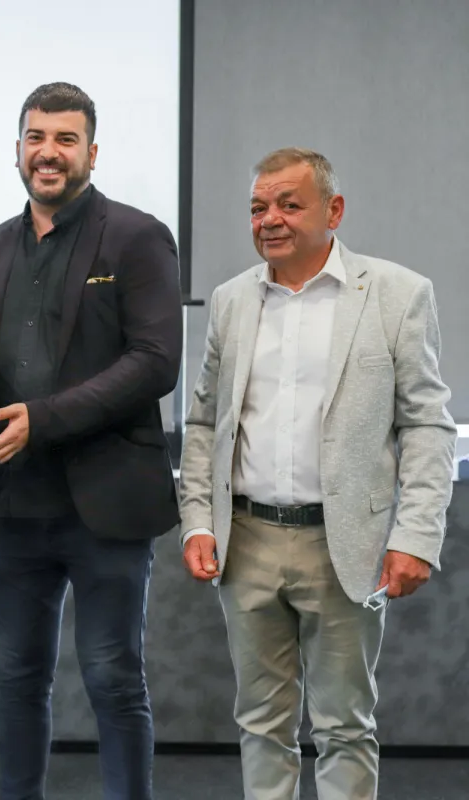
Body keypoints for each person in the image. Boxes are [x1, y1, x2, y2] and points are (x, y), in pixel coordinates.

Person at [178, 148, 455, 800]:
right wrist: (196, 520)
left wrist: (416, 536)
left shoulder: (397, 294)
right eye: (258, 207)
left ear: (334, 211)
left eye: (288, 204)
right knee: (260, 724)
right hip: (246, 540)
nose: (270, 219)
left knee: (344, 727)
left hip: (345, 545)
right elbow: (204, 422)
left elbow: (427, 425)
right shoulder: (232, 301)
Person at [0, 82, 182, 800]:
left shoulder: (137, 237)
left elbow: (155, 363)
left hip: (106, 502)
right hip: (12, 504)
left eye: (65, 139)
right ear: (18, 148)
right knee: (17, 678)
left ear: (91, 152)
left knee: (113, 678)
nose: (48, 152)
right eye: (36, 137)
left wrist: (41, 419)